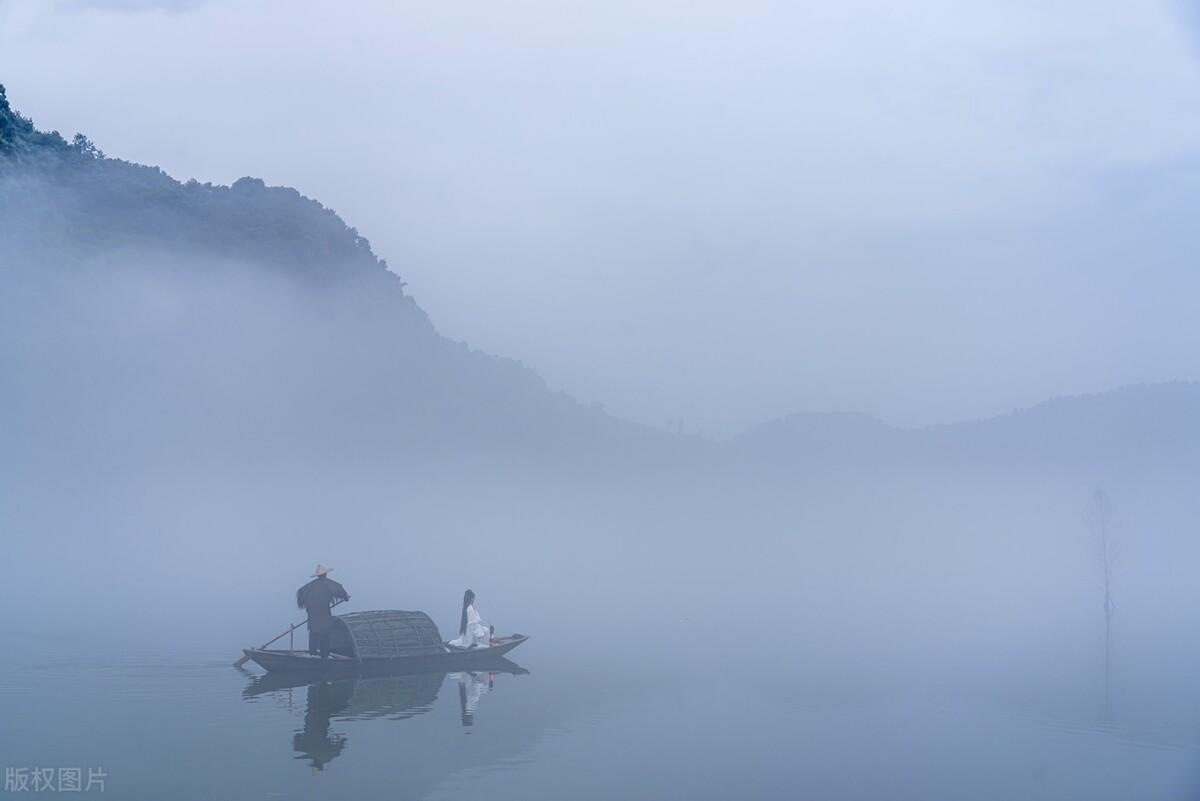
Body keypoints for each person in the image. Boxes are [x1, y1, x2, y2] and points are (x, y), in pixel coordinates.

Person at [296, 564, 350, 659]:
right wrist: (345, 597)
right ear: (325, 574)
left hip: (312, 614)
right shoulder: (330, 584)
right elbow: (342, 593)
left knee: (313, 633)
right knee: (325, 634)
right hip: (324, 613)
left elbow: (300, 598)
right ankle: (324, 656)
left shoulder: (309, 587)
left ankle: (312, 654)